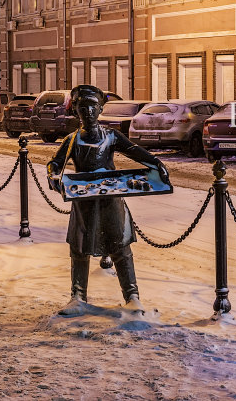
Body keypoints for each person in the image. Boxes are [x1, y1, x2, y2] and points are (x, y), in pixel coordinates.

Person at [46, 84, 170, 316]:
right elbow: (56, 162)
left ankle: (132, 297)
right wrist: (53, 174)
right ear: (76, 111)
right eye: (83, 108)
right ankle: (78, 296)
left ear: (101, 108)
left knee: (120, 244)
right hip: (84, 202)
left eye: (93, 107)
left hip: (111, 200)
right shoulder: (72, 140)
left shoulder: (111, 136)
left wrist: (156, 163)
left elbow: (134, 150)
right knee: (79, 247)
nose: (88, 112)